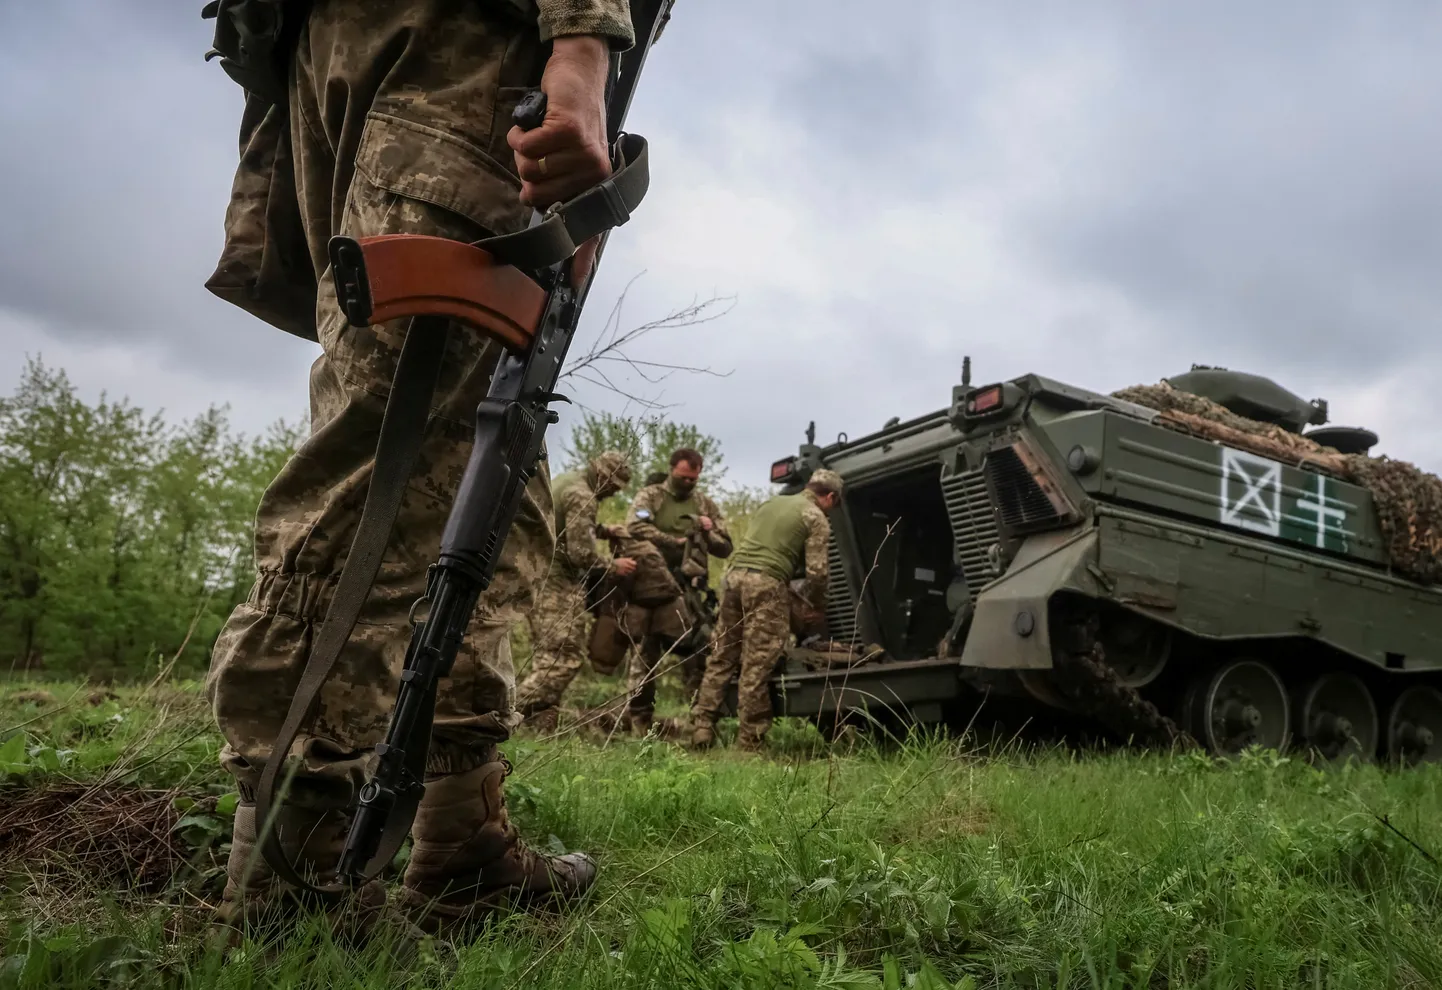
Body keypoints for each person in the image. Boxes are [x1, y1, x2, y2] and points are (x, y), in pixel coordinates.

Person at [202, 0, 636, 933]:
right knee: (393, 459)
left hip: (382, 53)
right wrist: (584, 41)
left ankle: (458, 836)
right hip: (460, 55)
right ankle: (287, 876)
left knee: (484, 464)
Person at [691, 470, 844, 752]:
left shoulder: (772, 504)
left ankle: (703, 726)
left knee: (722, 653)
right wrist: (816, 606)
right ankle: (750, 742)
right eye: (834, 505)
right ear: (830, 497)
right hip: (766, 582)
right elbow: (818, 574)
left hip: (733, 578)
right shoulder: (815, 516)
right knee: (757, 662)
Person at [515, 451, 636, 721]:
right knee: (563, 658)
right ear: (604, 477)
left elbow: (561, 524)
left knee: (547, 656)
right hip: (556, 582)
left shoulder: (567, 481)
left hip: (536, 572)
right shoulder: (583, 496)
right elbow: (580, 553)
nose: (614, 494)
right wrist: (614, 565)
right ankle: (507, 713)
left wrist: (603, 530)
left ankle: (537, 725)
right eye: (614, 487)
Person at [621, 448, 731, 734]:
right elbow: (634, 526)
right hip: (652, 588)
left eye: (694, 479)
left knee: (700, 650)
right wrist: (674, 542)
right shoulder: (651, 497)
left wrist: (707, 532)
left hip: (689, 590)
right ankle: (639, 722)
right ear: (671, 470)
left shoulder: (703, 503)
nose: (689, 484)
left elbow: (726, 546)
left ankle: (699, 722)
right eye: (684, 478)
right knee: (645, 653)